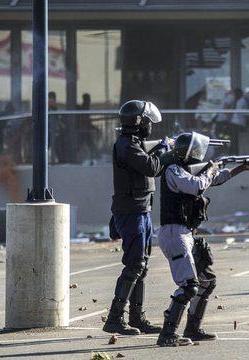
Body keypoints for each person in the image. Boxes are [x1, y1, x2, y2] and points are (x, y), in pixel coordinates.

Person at [156, 132, 249, 347]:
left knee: (206, 281)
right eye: (195, 151)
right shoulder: (173, 170)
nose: (199, 155)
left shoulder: (186, 170)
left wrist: (241, 168)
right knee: (189, 285)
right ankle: (167, 334)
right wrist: (211, 169)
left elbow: (215, 179)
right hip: (175, 233)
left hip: (185, 233)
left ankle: (192, 329)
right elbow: (198, 186)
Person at [103, 100, 175, 336]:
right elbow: (152, 167)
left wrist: (162, 149)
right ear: (139, 122)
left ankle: (136, 317)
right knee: (134, 265)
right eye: (147, 122)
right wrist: (166, 151)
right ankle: (115, 318)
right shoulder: (127, 145)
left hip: (140, 209)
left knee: (140, 266)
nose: (150, 126)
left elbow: (150, 163)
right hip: (131, 211)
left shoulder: (134, 144)